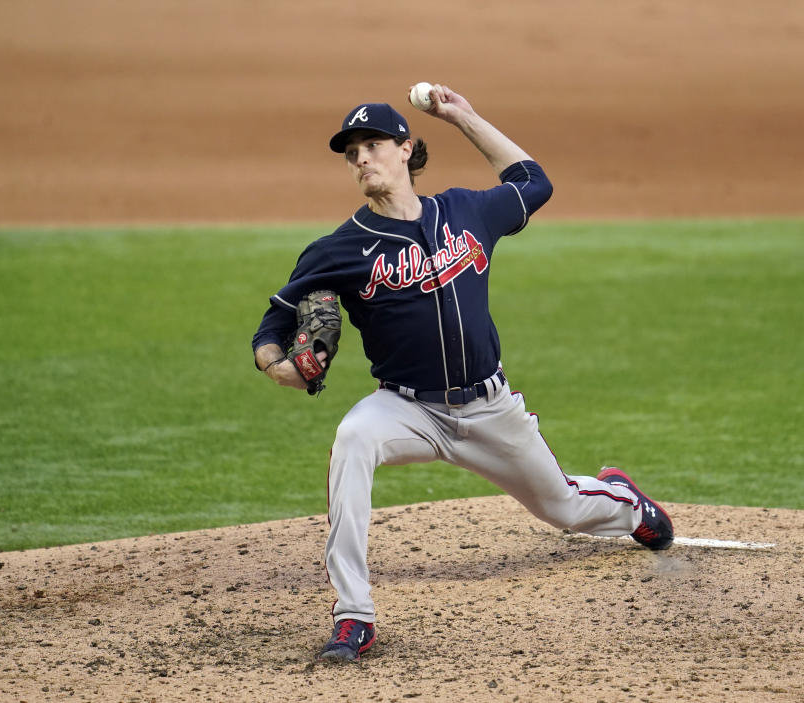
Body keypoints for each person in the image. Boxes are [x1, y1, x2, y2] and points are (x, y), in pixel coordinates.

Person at [251, 84, 673, 663]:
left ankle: (626, 502)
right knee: (353, 438)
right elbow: (272, 326)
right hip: (407, 409)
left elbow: (533, 182)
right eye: (352, 153)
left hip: (490, 408)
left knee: (564, 510)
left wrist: (464, 117)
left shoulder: (466, 211)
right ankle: (355, 616)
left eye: (373, 144)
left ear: (405, 150)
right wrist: (280, 370)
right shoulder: (338, 250)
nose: (362, 159)